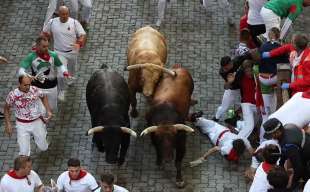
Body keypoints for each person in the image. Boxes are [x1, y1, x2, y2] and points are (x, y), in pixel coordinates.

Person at [42, 5, 86, 100]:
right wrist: (43, 42)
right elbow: (44, 33)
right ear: (59, 13)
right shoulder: (52, 22)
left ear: (68, 13)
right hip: (59, 52)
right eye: (62, 14)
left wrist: (79, 43)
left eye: (66, 14)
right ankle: (62, 90)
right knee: (60, 74)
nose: (64, 16)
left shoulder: (74, 23)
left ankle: (71, 78)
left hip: (72, 52)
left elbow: (82, 34)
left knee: (72, 69)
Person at [4, 75, 52, 156]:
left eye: (29, 84)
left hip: (36, 121)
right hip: (22, 124)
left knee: (43, 147)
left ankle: (44, 138)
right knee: (24, 152)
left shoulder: (34, 90)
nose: (28, 87)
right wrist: (8, 124)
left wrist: (48, 110)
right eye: (25, 85)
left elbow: (43, 96)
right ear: (19, 84)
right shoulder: (13, 95)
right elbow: (6, 108)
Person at [18, 36, 70, 111]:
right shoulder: (31, 57)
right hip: (37, 87)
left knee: (51, 109)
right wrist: (29, 76)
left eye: (47, 46)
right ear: (38, 46)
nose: (46, 48)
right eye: (44, 46)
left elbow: (60, 65)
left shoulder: (53, 55)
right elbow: (21, 71)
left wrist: (65, 72)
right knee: (40, 110)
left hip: (52, 87)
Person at [258, 27, 289, 142]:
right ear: (278, 36)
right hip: (273, 79)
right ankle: (278, 94)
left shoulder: (263, 46)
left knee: (264, 116)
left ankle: (261, 141)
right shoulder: (280, 48)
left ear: (270, 35)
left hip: (262, 79)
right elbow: (286, 64)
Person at [189, 112, 253, 167]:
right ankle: (197, 119)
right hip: (221, 129)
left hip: (215, 136)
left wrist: (203, 157)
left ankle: (196, 121)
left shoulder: (227, 149)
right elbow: (252, 152)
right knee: (208, 123)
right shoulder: (243, 139)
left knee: (205, 129)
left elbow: (215, 149)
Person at [263, 118, 310, 190]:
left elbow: (298, 167)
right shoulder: (287, 126)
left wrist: (291, 184)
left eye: (272, 135)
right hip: (304, 150)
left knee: (305, 175)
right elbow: (284, 152)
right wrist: (280, 166)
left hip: (307, 156)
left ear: (277, 132)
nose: (272, 137)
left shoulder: (288, 144)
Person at [213, 54, 252, 121]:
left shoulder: (238, 59)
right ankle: (216, 118)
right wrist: (230, 82)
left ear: (231, 63)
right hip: (232, 90)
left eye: (226, 68)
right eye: (224, 68)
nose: (225, 70)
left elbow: (250, 54)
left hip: (241, 89)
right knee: (224, 107)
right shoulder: (222, 72)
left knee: (240, 105)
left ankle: (234, 117)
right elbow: (227, 86)